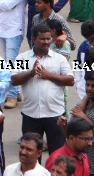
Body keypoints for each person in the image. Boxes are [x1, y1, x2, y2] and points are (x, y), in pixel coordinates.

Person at [13, 24, 74, 153]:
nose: (46, 42)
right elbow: (14, 80)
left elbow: (70, 80)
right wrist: (30, 73)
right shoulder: (22, 58)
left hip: (55, 115)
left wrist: (48, 75)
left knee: (57, 154)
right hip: (31, 115)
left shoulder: (59, 59)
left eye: (48, 39)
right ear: (33, 39)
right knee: (31, 154)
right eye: (42, 39)